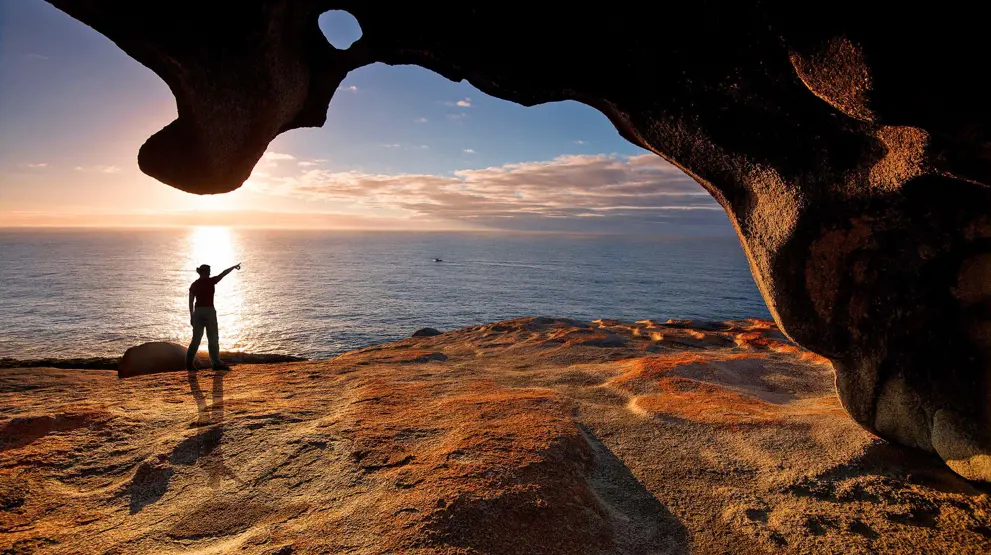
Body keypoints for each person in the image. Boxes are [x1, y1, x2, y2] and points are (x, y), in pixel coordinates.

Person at [186, 262, 241, 371]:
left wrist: (192, 315)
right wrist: (233, 267)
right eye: (209, 271)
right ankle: (215, 363)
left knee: (197, 339)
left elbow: (191, 301)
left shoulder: (195, 284)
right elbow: (223, 274)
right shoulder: (210, 281)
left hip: (198, 313)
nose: (210, 273)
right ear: (205, 272)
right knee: (212, 338)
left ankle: (190, 364)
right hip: (208, 311)